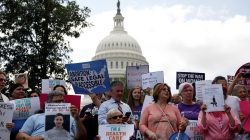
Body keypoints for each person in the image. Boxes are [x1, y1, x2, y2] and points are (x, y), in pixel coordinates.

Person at [16, 90, 87, 140]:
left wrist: (77, 119)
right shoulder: (35, 117)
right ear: (47, 103)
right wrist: (37, 138)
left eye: (63, 101)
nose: (61, 104)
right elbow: (19, 136)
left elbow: (82, 137)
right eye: (57, 101)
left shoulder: (71, 118)